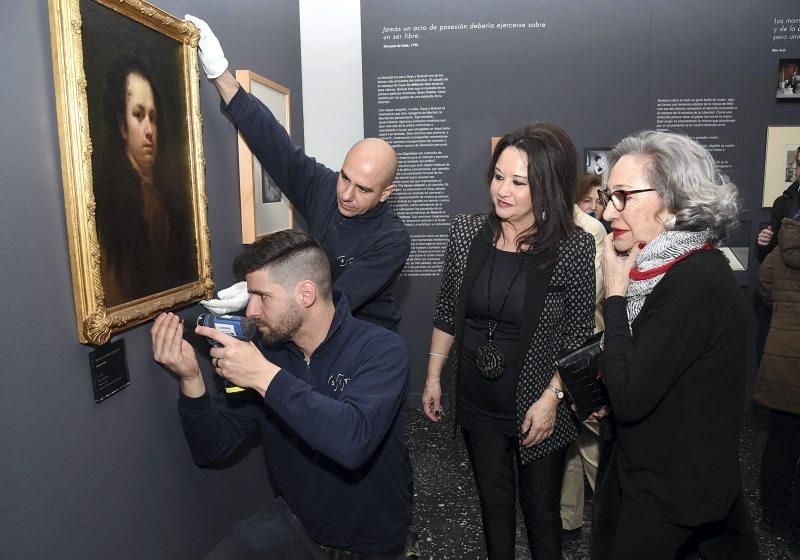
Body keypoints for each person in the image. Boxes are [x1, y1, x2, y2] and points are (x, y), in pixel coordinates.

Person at [151, 229, 413, 559]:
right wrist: (192, 380)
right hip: (296, 525)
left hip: (370, 541)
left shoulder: (381, 349)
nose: (251, 312)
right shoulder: (270, 353)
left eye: (262, 296)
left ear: (305, 294)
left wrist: (262, 376)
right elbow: (213, 447)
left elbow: (353, 441)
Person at [421, 122, 595, 559]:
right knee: (494, 507)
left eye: (519, 182)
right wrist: (433, 377)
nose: (503, 190)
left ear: (547, 187)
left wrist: (552, 398)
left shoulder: (572, 248)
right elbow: (447, 312)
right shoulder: (466, 235)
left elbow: (577, 338)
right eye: (499, 176)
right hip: (479, 397)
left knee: (540, 512)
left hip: (539, 403)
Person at [184, 15, 410, 331]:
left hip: (363, 343)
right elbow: (276, 148)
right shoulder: (324, 186)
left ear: (386, 193)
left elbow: (336, 300)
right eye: (345, 177)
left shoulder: (392, 239)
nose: (345, 194)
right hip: (305, 333)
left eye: (363, 189)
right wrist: (220, 74)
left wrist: (262, 294)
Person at [595, 130, 758, 559]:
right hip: (662, 475)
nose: (610, 210)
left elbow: (632, 395)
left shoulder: (692, 279)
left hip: (672, 492)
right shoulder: (669, 269)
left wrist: (614, 296)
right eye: (608, 195)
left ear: (672, 202)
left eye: (623, 196)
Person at [93, 56, 196, 307]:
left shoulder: (163, 197)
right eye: (138, 115)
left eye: (153, 117)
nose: (149, 130)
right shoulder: (112, 201)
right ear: (122, 126)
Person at [560, 173, 607, 540]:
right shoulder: (547, 223)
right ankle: (568, 519)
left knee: (590, 438)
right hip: (556, 350)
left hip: (581, 348)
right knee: (568, 442)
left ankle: (610, 527)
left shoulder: (589, 229)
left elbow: (588, 293)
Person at [754, 213, 800, 560]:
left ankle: (773, 516)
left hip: (784, 359)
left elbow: (765, 288)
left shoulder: (781, 245)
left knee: (781, 442)